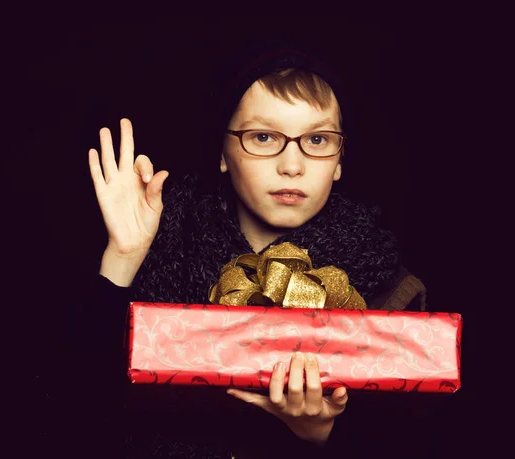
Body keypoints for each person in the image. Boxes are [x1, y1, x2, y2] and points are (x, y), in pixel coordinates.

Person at [65, 40, 436, 458]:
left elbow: (415, 441)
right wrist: (124, 255)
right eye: (263, 136)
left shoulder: (389, 286)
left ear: (339, 161)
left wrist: (318, 434)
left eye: (316, 140)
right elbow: (74, 411)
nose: (292, 165)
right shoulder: (165, 245)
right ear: (223, 153)